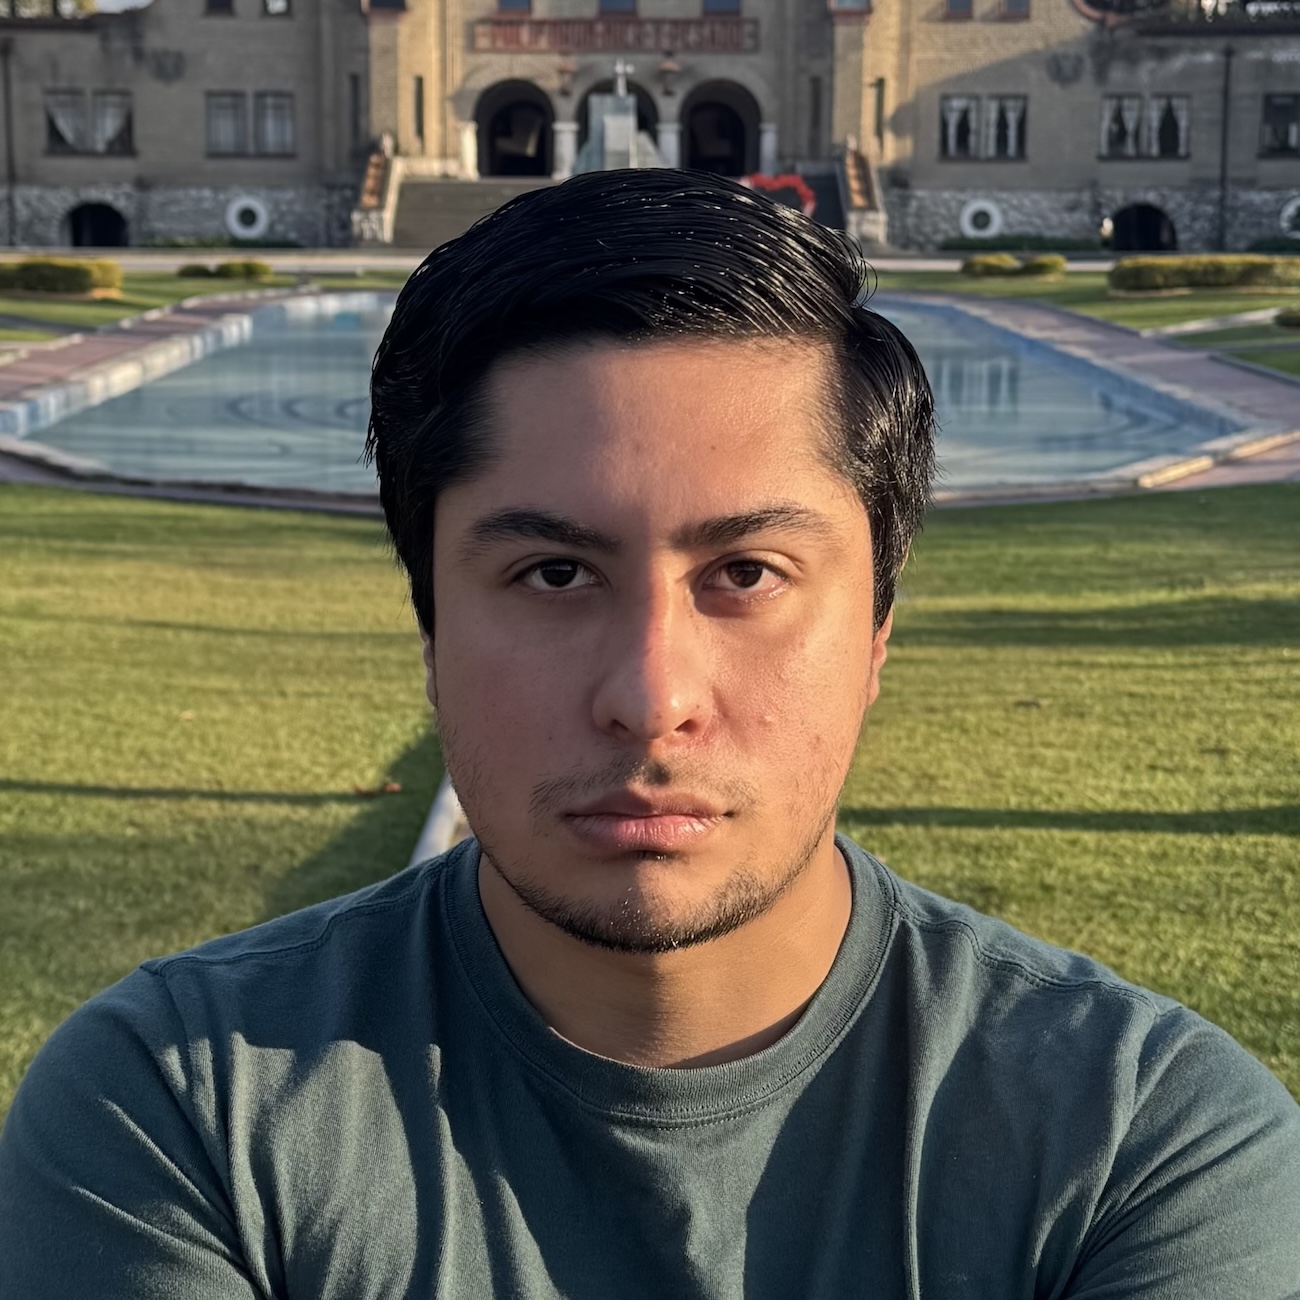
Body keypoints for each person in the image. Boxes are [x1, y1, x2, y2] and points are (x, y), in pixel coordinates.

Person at [0, 170, 1297, 1298]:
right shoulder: (177, 1112)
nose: (650, 695)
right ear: (431, 630)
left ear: (877, 636)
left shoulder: (1144, 1143)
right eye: (555, 574)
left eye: (747, 574)